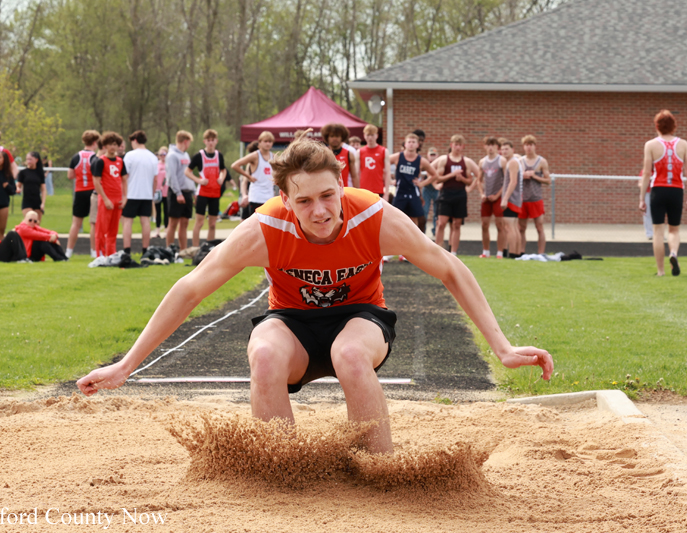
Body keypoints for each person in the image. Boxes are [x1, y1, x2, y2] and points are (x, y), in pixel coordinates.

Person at [76, 137, 553, 455]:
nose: (320, 212)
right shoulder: (264, 228)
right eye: (303, 201)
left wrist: (503, 347)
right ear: (284, 199)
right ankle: (283, 470)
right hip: (292, 323)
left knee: (348, 354)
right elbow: (189, 287)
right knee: (263, 357)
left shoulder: (375, 217)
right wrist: (126, 365)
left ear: (341, 182)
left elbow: (450, 268)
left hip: (361, 319)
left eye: (327, 196)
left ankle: (380, 468)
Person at [639, 110, 687, 277]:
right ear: (673, 126)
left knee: (657, 231)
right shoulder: (683, 144)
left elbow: (647, 173)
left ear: (657, 126)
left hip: (658, 191)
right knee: (674, 230)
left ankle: (661, 271)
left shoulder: (650, 145)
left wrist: (642, 199)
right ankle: (674, 253)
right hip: (676, 191)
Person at [433, 134, 480, 255]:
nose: (458, 147)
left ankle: (453, 252)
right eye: (455, 145)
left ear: (463, 146)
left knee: (457, 224)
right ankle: (438, 250)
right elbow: (437, 178)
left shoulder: (467, 162)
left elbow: (475, 177)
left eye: (460, 145)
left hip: (460, 194)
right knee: (441, 223)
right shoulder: (444, 160)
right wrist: (451, 175)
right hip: (446, 194)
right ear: (451, 145)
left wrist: (464, 181)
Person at [389, 133, 437, 242]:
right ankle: (394, 246)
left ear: (417, 145)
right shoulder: (398, 157)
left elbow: (434, 175)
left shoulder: (421, 160)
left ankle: (411, 245)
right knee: (395, 220)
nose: (411, 144)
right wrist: (389, 180)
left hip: (413, 193)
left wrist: (422, 184)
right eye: (409, 142)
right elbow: (382, 164)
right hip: (400, 193)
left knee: (413, 220)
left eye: (413, 142)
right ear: (405, 144)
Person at [90, 132, 129, 260]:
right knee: (101, 229)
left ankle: (111, 254)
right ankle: (99, 255)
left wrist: (124, 197)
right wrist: (105, 199)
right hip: (106, 198)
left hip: (118, 198)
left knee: (114, 229)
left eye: (115, 144)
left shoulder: (120, 161)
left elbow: (124, 180)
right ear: (105, 146)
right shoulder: (100, 161)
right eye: (110, 144)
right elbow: (96, 181)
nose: (113, 147)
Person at [186, 129, 226, 246]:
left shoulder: (219, 155)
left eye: (212, 140)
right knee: (199, 223)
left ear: (216, 141)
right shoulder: (199, 156)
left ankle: (209, 249)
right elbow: (187, 172)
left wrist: (221, 178)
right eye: (208, 140)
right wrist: (198, 180)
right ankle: (195, 248)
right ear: (204, 141)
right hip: (203, 193)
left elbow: (223, 170)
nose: (210, 143)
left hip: (215, 193)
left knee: (213, 224)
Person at [122, 130, 158, 255]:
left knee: (127, 221)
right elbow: (155, 179)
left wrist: (124, 194)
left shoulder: (130, 156)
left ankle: (127, 250)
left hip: (132, 193)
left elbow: (124, 176)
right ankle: (145, 251)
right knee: (145, 221)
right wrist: (152, 194)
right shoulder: (153, 157)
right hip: (146, 194)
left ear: (135, 140)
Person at [67, 130, 101, 258]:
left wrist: (80, 174)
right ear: (94, 142)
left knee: (76, 223)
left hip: (80, 191)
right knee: (93, 223)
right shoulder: (95, 157)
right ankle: (94, 251)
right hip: (93, 192)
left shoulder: (76, 157)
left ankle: (68, 252)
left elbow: (70, 175)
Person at [518, 135, 551, 255]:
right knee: (521, 228)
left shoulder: (541, 161)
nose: (528, 147)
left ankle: (541, 253)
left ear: (534, 146)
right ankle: (521, 252)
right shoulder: (520, 161)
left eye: (530, 145)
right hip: (523, 199)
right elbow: (513, 179)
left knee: (539, 227)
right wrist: (522, 176)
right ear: (523, 146)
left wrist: (534, 176)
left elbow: (548, 181)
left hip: (536, 199)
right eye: (526, 145)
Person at [232, 131, 275, 217]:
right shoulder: (255, 156)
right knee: (256, 223)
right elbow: (235, 165)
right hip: (256, 196)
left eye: (270, 142)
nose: (268, 144)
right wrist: (248, 176)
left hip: (269, 196)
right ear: (260, 142)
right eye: (265, 141)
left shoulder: (274, 157)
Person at [478, 137, 507, 258]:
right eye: (488, 145)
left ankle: (500, 252)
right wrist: (482, 194)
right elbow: (479, 180)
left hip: (497, 197)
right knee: (484, 225)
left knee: (499, 224)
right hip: (487, 198)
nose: (490, 148)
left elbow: (506, 181)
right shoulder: (482, 162)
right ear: (485, 147)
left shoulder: (502, 161)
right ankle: (486, 251)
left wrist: (497, 195)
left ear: (497, 147)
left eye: (493, 145)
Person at [165, 131, 194, 250]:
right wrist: (178, 193)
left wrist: (193, 191)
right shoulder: (172, 155)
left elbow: (189, 174)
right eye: (189, 143)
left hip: (187, 192)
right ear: (185, 141)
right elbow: (172, 176)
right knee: (173, 223)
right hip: (177, 193)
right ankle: (169, 249)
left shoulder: (185, 155)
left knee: (184, 223)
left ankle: (183, 250)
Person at [499, 139, 523, 258]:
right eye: (502, 149)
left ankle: (513, 254)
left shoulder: (513, 162)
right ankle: (517, 253)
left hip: (512, 199)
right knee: (514, 226)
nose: (504, 151)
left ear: (513, 150)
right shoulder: (514, 161)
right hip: (516, 199)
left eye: (507, 149)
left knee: (509, 227)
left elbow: (513, 182)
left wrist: (505, 199)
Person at [358, 124, 390, 202]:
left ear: (376, 136)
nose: (370, 138)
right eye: (368, 135)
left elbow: (387, 172)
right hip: (363, 189)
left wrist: (387, 192)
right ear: (364, 136)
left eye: (372, 135)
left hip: (378, 188)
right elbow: (357, 173)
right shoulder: (359, 152)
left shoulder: (384, 151)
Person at [321, 123, 359, 188]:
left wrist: (357, 191)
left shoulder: (349, 154)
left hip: (344, 190)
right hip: (327, 189)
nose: (335, 139)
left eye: (337, 136)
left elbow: (354, 176)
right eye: (332, 136)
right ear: (327, 137)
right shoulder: (322, 153)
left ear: (342, 137)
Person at [16, 152, 47, 222]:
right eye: (27, 159)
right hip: (27, 201)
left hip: (37, 202)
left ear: (36, 160)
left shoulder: (40, 173)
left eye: (30, 159)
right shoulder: (23, 172)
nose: (28, 161)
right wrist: (18, 188)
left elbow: (43, 189)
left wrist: (43, 203)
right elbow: (18, 185)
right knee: (29, 223)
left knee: (36, 226)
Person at [238, 141, 258, 220]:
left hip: (261, 196)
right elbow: (244, 182)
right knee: (244, 220)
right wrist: (244, 195)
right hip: (251, 196)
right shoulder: (249, 165)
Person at [154, 146, 168, 237]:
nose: (162, 156)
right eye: (161, 154)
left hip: (166, 192)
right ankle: (158, 230)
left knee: (166, 211)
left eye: (164, 154)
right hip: (158, 192)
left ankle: (166, 230)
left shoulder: (169, 165)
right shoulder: (156, 165)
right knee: (157, 212)